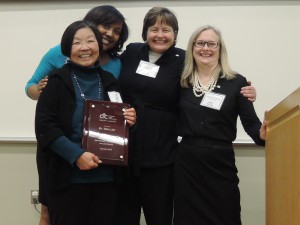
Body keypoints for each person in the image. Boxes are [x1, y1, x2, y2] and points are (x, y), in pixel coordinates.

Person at [115, 7, 258, 225]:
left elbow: (247, 119)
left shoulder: (187, 62)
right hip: (140, 150)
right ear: (145, 32)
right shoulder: (137, 54)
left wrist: (246, 94)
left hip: (179, 155)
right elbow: (107, 70)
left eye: (167, 29)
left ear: (175, 34)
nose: (160, 34)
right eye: (154, 29)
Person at [25, 5, 129, 225]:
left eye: (91, 41)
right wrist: (76, 155)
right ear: (66, 48)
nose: (85, 48)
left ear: (99, 46)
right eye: (77, 42)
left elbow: (119, 124)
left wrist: (130, 121)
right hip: (68, 176)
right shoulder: (55, 81)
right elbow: (45, 127)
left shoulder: (111, 81)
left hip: (107, 177)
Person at [173, 25, 266, 225]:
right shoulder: (181, 81)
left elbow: (251, 122)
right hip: (187, 163)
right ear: (192, 48)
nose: (205, 48)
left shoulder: (237, 82)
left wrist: (263, 134)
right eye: (200, 43)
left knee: (226, 215)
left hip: (220, 162)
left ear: (220, 48)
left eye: (211, 44)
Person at [25, 5, 128, 100]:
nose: (110, 34)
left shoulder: (116, 63)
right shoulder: (58, 52)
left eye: (117, 31)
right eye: (106, 26)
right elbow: (30, 85)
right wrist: (39, 91)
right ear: (91, 24)